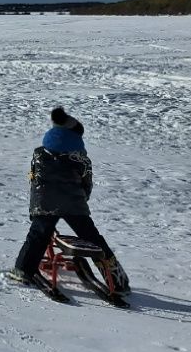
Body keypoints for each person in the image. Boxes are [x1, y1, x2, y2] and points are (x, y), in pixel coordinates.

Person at [9, 107, 127, 291]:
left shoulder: (39, 154)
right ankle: (116, 278)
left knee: (38, 235)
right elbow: (86, 182)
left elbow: (34, 180)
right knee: (93, 239)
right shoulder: (80, 158)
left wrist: (35, 209)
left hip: (45, 203)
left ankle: (22, 271)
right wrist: (82, 200)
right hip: (74, 205)